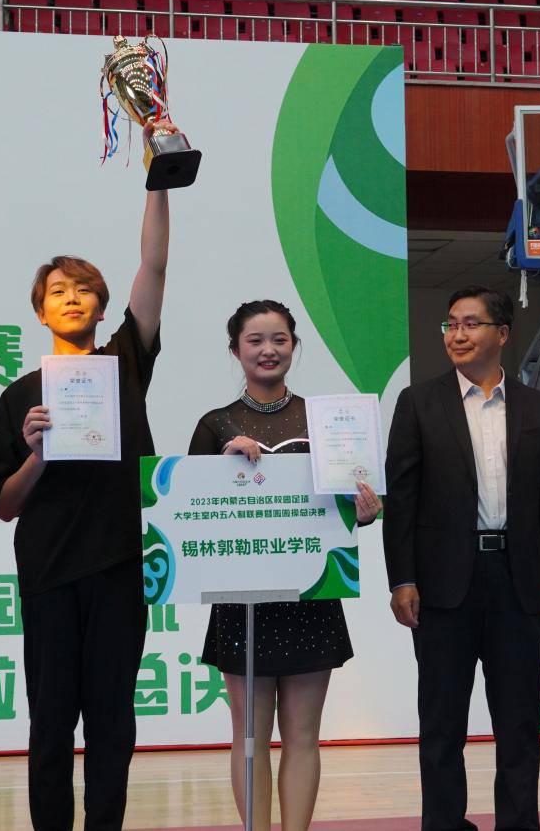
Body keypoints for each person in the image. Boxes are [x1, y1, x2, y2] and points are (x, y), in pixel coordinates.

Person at [0, 121, 171, 831]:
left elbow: (153, 268)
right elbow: (4, 506)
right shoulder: (18, 397)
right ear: (40, 310)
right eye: (57, 291)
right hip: (49, 572)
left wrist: (158, 180)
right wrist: (36, 453)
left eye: (84, 289)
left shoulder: (124, 361)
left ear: (101, 305)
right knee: (51, 722)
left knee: (113, 721)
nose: (71, 298)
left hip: (120, 565)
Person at [188, 300, 382, 831]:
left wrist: (363, 511)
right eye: (255, 340)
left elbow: (345, 508)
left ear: (295, 345)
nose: (268, 350)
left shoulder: (328, 423)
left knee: (302, 737)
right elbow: (192, 514)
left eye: (280, 339)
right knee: (248, 736)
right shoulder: (214, 425)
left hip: (311, 595)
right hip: (242, 600)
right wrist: (226, 470)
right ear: (235, 351)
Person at [383, 285, 540, 831]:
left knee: (519, 722)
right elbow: (403, 500)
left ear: (502, 333)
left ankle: (519, 823)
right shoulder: (418, 403)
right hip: (443, 585)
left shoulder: (536, 408)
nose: (457, 334)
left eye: (470, 324)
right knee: (442, 724)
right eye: (450, 324)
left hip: (518, 581)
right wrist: (402, 579)